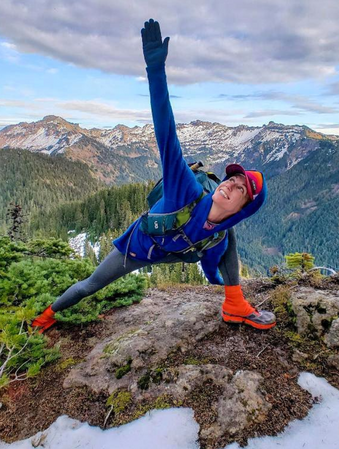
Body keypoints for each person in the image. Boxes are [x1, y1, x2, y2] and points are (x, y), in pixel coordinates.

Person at [32, 19, 276, 334]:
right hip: (136, 249)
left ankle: (235, 305)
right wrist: (155, 70)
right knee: (90, 284)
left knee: (227, 236)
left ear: (245, 208)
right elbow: (166, 132)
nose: (231, 184)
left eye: (241, 189)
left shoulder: (219, 233)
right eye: (232, 179)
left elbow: (212, 264)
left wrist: (221, 288)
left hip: (178, 251)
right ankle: (44, 317)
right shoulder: (185, 191)